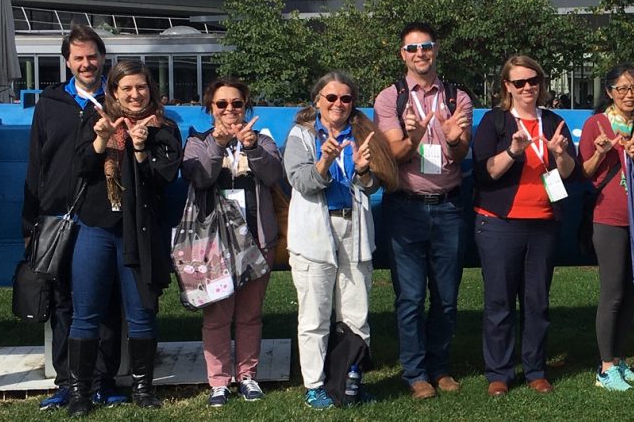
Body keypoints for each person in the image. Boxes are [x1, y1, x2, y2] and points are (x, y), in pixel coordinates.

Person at [22, 24, 126, 411]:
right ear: (67, 61)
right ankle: (68, 380)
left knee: (107, 303)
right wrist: (29, 223)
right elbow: (37, 165)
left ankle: (104, 380)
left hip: (102, 215)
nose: (86, 64)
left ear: (103, 58)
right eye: (78, 58)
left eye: (92, 56)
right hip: (58, 217)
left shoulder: (116, 102)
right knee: (63, 302)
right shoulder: (50, 103)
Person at [69, 59, 181, 414]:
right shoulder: (96, 120)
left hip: (140, 233)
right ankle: (79, 392)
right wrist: (102, 140)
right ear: (114, 92)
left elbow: (163, 178)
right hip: (98, 227)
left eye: (141, 87)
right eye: (127, 88)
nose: (135, 94)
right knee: (85, 313)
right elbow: (81, 169)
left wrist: (140, 149)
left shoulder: (164, 127)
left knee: (141, 312)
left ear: (151, 89)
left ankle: (143, 388)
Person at [283, 71, 400, 409]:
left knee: (356, 312)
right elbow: (302, 182)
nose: (338, 104)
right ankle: (315, 385)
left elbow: (374, 185)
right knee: (315, 314)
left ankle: (350, 379)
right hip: (315, 232)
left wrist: (363, 169)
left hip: (355, 229)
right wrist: (325, 159)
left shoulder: (363, 132)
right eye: (331, 97)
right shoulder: (300, 136)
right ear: (317, 100)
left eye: (345, 98)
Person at [371, 23, 474, 400]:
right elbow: (394, 156)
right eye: (412, 48)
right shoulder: (389, 99)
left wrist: (451, 137)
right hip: (406, 208)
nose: (420, 53)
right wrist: (413, 136)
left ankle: (440, 366)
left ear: (436, 50)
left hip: (449, 207)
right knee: (411, 297)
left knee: (446, 297)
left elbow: (462, 155)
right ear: (403, 54)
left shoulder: (457, 96)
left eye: (426, 46)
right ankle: (415, 373)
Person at [472, 54, 577, 397]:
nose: (528, 87)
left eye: (534, 81)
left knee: (537, 303)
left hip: (542, 223)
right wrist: (515, 150)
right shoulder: (495, 121)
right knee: (499, 302)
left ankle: (535, 369)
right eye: (520, 82)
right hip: (500, 224)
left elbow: (567, 174)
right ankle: (499, 373)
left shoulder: (554, 122)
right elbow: (487, 172)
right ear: (507, 86)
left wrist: (560, 154)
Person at [182, 76, 284, 406]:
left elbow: (273, 176)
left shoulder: (263, 140)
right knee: (217, 315)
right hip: (213, 244)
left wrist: (251, 147)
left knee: (250, 314)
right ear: (210, 108)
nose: (229, 110)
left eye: (236, 104)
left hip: (257, 238)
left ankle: (248, 375)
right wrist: (217, 142)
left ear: (246, 107)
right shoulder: (197, 141)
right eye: (221, 104)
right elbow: (201, 176)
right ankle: (218, 381)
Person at [579, 63, 634, 391]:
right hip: (608, 218)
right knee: (612, 293)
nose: (629, 95)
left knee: (632, 294)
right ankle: (605, 368)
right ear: (610, 92)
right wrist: (602, 153)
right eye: (622, 89)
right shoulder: (595, 125)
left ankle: (619, 358)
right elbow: (584, 173)